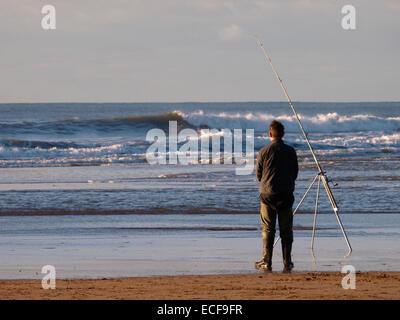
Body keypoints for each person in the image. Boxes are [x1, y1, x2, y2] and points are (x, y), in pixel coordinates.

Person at [255, 120, 298, 273]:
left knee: (268, 229)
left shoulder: (263, 151)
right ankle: (288, 261)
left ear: (270, 134)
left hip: (268, 194)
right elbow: (294, 173)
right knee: (286, 230)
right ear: (283, 134)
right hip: (286, 194)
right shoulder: (291, 151)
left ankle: (267, 260)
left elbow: (259, 175)